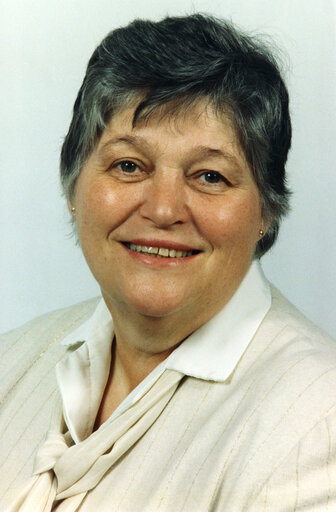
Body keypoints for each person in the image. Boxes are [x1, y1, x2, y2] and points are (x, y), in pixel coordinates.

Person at [1, 13, 335, 512]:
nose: (162, 209)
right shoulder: (11, 361)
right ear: (73, 187)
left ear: (266, 209)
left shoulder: (314, 425)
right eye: (129, 165)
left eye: (210, 176)